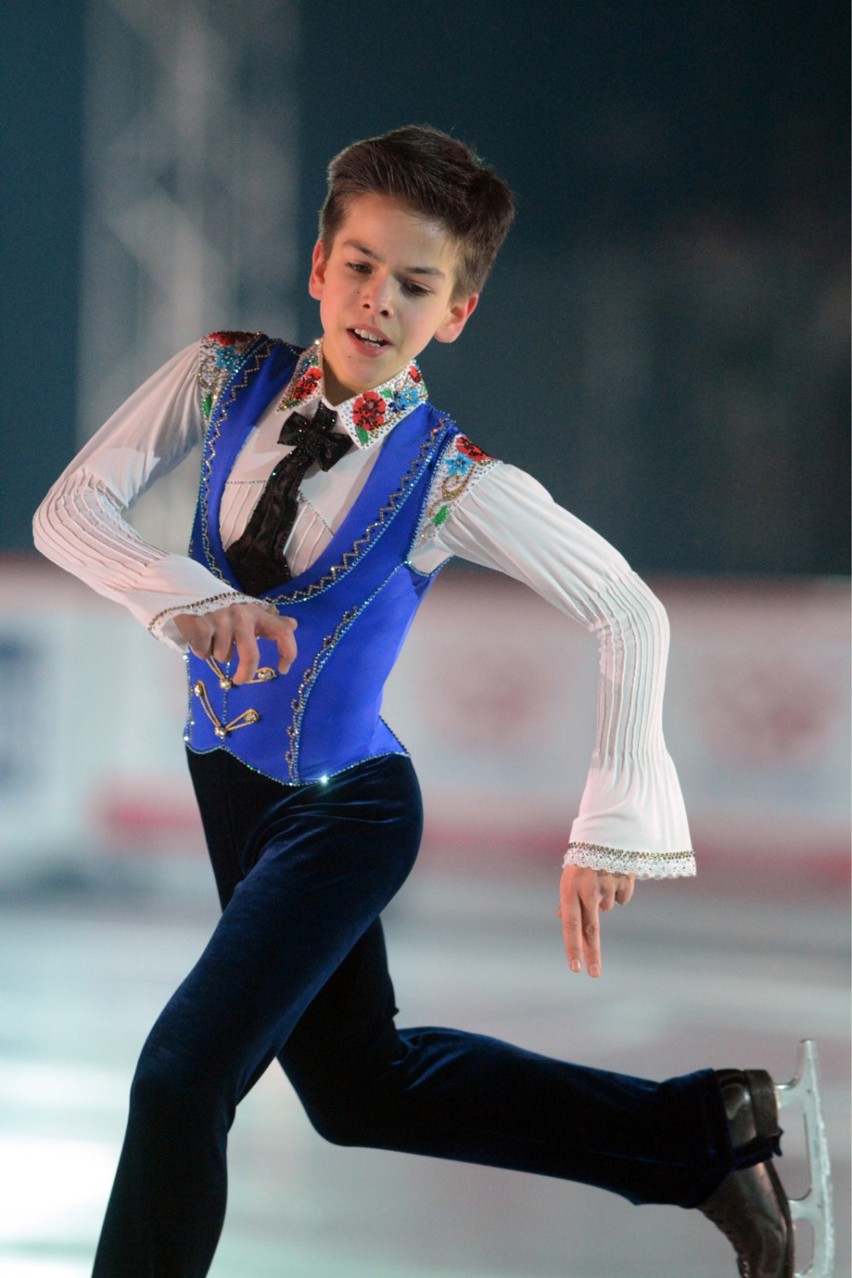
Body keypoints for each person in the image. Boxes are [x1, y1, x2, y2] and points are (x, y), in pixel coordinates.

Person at [35, 125, 795, 1277]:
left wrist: (611, 825)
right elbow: (70, 512)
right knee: (361, 1088)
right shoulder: (220, 372)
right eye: (359, 266)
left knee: (183, 1077)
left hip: (348, 816)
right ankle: (702, 1138)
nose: (377, 300)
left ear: (458, 312)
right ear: (317, 266)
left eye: (415, 284)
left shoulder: (450, 478)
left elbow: (628, 611)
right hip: (233, 796)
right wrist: (186, 599)